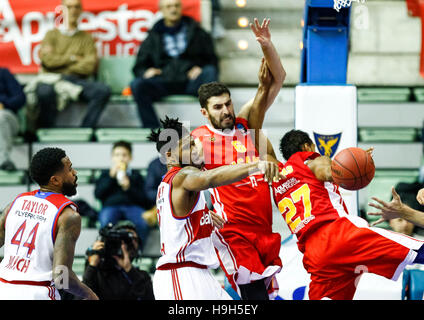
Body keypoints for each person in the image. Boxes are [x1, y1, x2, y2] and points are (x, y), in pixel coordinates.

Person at [269, 129, 424, 300]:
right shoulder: (313, 161)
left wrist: (357, 161)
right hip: (338, 235)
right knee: (417, 250)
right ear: (308, 146)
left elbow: (262, 144)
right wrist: (357, 163)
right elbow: (334, 173)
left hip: (315, 255)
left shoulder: (278, 179)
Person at [190, 18, 286, 300]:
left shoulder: (246, 124)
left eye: (228, 103)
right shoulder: (196, 140)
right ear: (205, 113)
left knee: (262, 295)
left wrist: (267, 45)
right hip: (233, 230)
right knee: (254, 292)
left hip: (263, 228)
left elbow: (276, 79)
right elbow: (177, 182)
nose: (226, 110)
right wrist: (201, 213)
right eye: (217, 107)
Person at [148, 116, 282, 300]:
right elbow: (209, 178)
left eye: (193, 144)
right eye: (188, 148)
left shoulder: (171, 183)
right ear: (169, 155)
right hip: (180, 275)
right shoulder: (182, 176)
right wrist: (256, 165)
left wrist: (201, 215)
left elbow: (177, 221)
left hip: (198, 274)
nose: (195, 151)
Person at [0, 147, 98, 300]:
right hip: (37, 293)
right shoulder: (68, 216)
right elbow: (61, 277)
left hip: (4, 289)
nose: (75, 173)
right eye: (70, 168)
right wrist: (89, 295)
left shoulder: (15, 203)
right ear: (55, 180)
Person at [131, 0, 219, 128]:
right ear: (162, 10)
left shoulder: (197, 31)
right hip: (164, 82)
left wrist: (200, 67)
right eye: (169, 6)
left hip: (191, 82)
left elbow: (212, 59)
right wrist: (147, 71)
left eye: (176, 5)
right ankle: (152, 130)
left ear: (181, 8)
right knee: (137, 85)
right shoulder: (153, 36)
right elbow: (138, 66)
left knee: (210, 71)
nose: (173, 9)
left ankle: (216, 124)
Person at [33, 0, 110, 129]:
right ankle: (46, 131)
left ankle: (85, 130)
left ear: (81, 11)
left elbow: (88, 67)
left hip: (77, 80)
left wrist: (60, 63)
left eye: (76, 7)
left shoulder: (87, 38)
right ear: (62, 9)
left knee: (102, 90)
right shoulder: (51, 35)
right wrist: (74, 58)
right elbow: (48, 61)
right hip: (52, 79)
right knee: (44, 91)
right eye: (69, 7)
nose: (73, 10)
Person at [94, 140, 151, 248]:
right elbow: (98, 194)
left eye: (124, 155)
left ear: (130, 157)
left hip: (132, 206)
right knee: (106, 222)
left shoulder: (136, 175)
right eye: (117, 155)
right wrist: (111, 177)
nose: (120, 158)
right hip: (111, 206)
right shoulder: (105, 174)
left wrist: (129, 187)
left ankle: (136, 250)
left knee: (143, 223)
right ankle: (109, 251)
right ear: (112, 157)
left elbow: (144, 198)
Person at [82, 220, 155, 300]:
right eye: (122, 239)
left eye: (133, 239)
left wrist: (130, 270)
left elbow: (148, 297)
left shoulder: (142, 277)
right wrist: (92, 264)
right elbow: (82, 296)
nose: (125, 245)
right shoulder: (99, 273)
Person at [0, 68, 26, 171]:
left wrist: (4, 103)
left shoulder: (3, 73)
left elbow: (20, 97)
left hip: (7, 117)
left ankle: (3, 160)